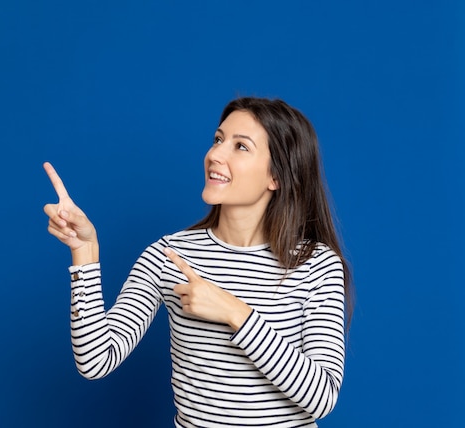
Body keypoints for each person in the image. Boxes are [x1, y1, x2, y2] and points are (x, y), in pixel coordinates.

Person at [43, 96, 354, 427]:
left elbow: (322, 397)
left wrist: (235, 312)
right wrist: (85, 253)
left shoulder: (316, 264)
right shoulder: (170, 256)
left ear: (275, 176)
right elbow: (95, 360)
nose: (215, 155)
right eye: (218, 139)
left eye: (241, 147)